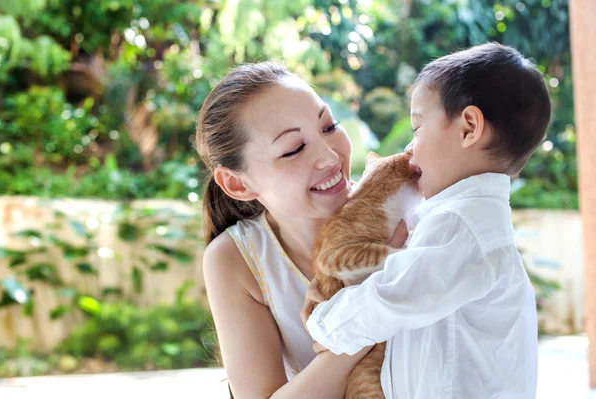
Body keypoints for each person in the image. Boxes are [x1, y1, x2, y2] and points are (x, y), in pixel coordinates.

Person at [304, 42, 552, 399]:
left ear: (469, 127)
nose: (408, 148)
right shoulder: (460, 221)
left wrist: (325, 324)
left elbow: (394, 296)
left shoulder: (463, 226)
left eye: (417, 129)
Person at [197, 62, 408, 398]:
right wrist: (360, 314)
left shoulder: (405, 207)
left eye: (329, 126)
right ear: (237, 183)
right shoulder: (237, 258)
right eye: (293, 149)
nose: (329, 157)